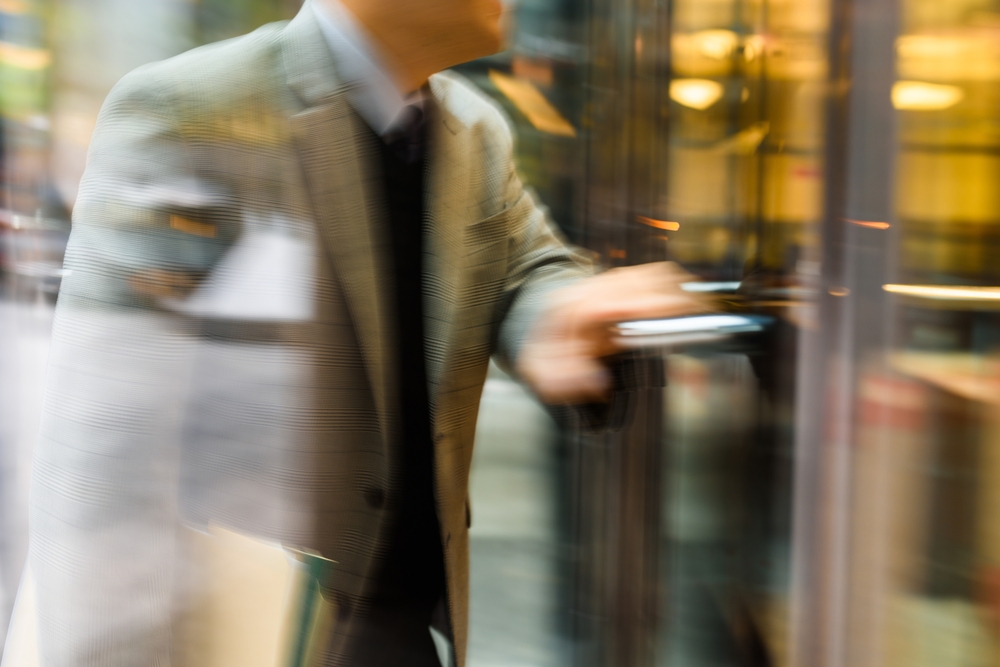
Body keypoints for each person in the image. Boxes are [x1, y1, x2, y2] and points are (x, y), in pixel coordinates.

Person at [8, 0, 702, 665]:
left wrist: (558, 314)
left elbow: (528, 268)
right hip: (251, 635)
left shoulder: (472, 131)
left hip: (405, 634)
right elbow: (104, 461)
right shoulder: (189, 109)